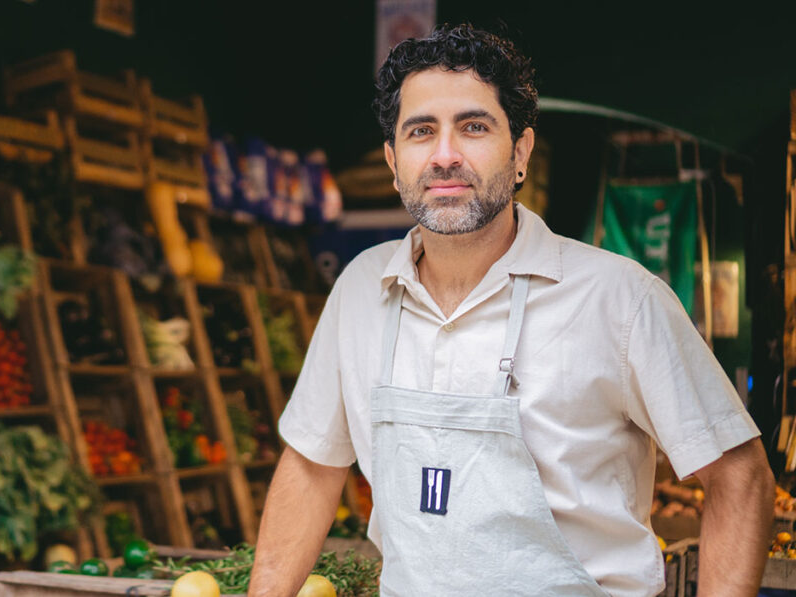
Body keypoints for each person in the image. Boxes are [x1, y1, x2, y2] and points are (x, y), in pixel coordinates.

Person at [248, 23, 774, 597]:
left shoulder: (621, 298)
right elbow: (312, 468)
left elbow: (740, 478)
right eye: (421, 131)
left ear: (520, 151)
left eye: (473, 127)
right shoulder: (359, 289)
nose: (445, 156)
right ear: (394, 160)